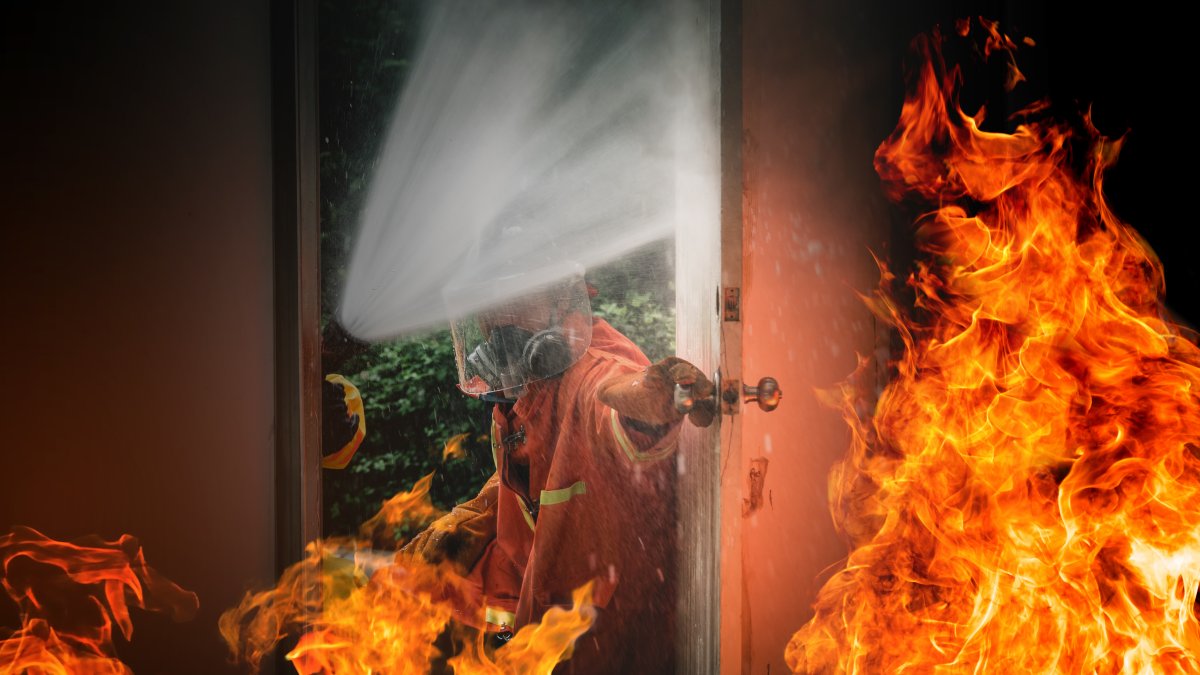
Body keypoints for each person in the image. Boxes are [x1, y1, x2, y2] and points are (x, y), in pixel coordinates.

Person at [401, 265, 714, 673]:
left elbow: (613, 403)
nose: (493, 323)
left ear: (565, 302)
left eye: (512, 299)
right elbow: (540, 482)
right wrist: (472, 521)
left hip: (617, 655)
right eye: (485, 307)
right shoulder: (522, 396)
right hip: (551, 646)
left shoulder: (589, 370)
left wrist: (651, 399)